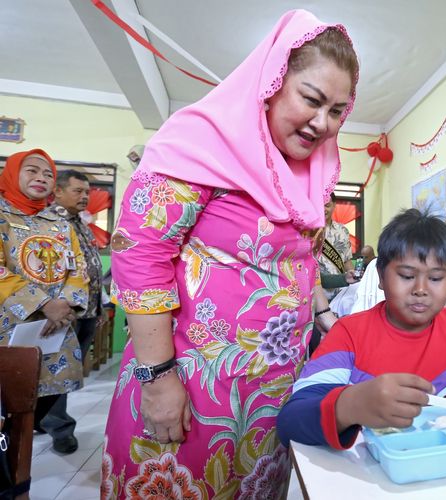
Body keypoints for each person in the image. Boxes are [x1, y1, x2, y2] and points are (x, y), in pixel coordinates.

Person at [102, 10, 358, 499]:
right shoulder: (199, 141)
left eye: (338, 111)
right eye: (312, 100)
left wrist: (324, 316)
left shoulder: (314, 172)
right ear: (272, 82)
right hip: (190, 385)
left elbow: (303, 258)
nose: (323, 124)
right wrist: (157, 380)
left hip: (274, 390)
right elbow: (139, 252)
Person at [277, 209, 446, 448]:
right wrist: (350, 406)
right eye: (407, 276)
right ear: (381, 277)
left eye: (435, 278)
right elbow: (291, 422)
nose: (421, 290)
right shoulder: (350, 333)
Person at [0, 149, 88, 454]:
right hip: (8, 328)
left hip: (55, 330)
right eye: (31, 170)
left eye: (48, 173)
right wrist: (43, 304)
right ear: (12, 172)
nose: (41, 178)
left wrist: (66, 304)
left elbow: (78, 267)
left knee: (38, 404)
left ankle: (18, 469)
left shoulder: (59, 222)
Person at [38, 170, 104, 453]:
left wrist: (99, 306)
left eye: (87, 192)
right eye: (78, 191)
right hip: (64, 312)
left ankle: (42, 419)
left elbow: (90, 267)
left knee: (68, 373)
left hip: (87, 311)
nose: (85, 196)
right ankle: (59, 428)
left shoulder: (81, 223)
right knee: (57, 372)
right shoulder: (48, 224)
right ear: (59, 192)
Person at [318, 192, 353, 299]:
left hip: (341, 292)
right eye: (320, 205)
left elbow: (347, 260)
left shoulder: (343, 231)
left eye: (327, 205)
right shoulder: (309, 231)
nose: (324, 209)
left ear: (334, 205)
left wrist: (354, 275)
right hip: (318, 293)